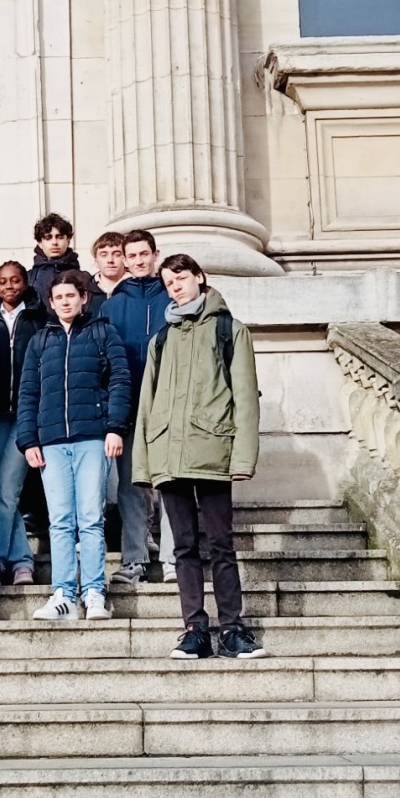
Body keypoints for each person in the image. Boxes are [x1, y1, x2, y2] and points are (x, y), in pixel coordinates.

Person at [132, 253, 266, 660]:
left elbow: (245, 397)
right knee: (183, 548)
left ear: (199, 277)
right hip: (169, 456)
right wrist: (144, 465)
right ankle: (194, 629)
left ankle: (233, 629)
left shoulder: (230, 330)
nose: (175, 287)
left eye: (181, 278)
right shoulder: (161, 339)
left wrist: (242, 458)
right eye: (169, 283)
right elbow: (147, 404)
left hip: (213, 452)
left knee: (221, 544)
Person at [16, 271, 131, 622]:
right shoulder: (41, 341)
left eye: (71, 295)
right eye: (59, 297)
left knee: (91, 519)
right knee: (60, 521)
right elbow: (28, 392)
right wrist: (28, 440)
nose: (65, 302)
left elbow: (120, 380)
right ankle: (63, 594)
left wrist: (115, 428)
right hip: (51, 442)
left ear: (83, 298)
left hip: (92, 437)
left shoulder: (103, 332)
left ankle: (94, 592)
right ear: (51, 303)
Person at [101, 229, 169, 586]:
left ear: (155, 255)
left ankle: (173, 558)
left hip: (166, 404)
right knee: (130, 485)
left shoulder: (171, 297)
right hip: (127, 405)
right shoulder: (111, 305)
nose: (139, 261)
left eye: (145, 254)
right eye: (133, 256)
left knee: (171, 482)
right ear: (124, 260)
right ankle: (135, 559)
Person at [0, 261, 46, 587]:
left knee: (7, 487)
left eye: (15, 280)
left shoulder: (38, 319)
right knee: (1, 490)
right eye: (3, 281)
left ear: (25, 282)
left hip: (25, 413)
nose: (9, 286)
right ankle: (21, 562)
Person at [28, 212, 93, 309]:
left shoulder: (84, 278)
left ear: (68, 239)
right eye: (48, 238)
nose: (54, 242)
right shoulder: (29, 279)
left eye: (60, 237)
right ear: (40, 242)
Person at [91, 231, 129, 299]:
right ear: (96, 261)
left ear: (126, 259)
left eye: (117, 255)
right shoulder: (84, 290)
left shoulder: (139, 288)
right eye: (104, 255)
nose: (110, 260)